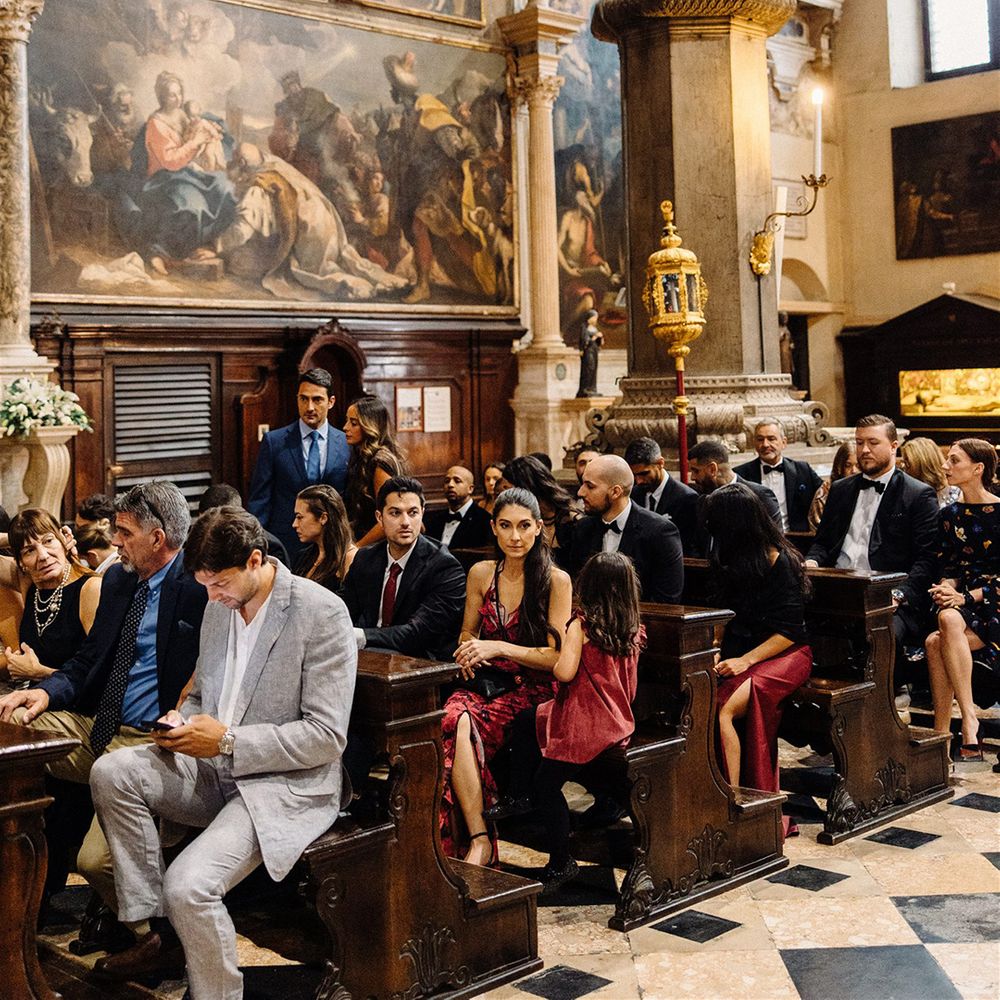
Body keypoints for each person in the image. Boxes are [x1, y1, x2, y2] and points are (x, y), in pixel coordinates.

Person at [88, 506, 356, 997]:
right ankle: (160, 931)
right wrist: (180, 720)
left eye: (220, 584)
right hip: (212, 767)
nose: (212, 597)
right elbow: (201, 694)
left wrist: (228, 741)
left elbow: (325, 737)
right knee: (111, 771)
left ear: (256, 559)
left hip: (281, 784)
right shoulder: (219, 605)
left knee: (189, 885)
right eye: (205, 585)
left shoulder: (321, 612)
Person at [0, 483, 207, 957]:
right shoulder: (118, 581)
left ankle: (163, 937)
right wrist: (41, 693)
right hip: (100, 727)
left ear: (157, 538)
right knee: (11, 729)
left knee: (94, 862)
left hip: (154, 742)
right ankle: (22, 901)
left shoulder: (196, 586)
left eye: (124, 532)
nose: (114, 541)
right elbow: (88, 661)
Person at [487, 551, 645, 890]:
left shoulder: (582, 626)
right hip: (617, 720)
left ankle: (561, 861)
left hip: (583, 724)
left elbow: (563, 670)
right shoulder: (632, 629)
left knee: (546, 785)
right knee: (529, 718)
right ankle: (517, 794)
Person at [443, 488, 572, 866]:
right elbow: (467, 632)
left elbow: (556, 658)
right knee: (451, 720)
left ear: (538, 529)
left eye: (523, 526)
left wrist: (497, 647)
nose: (515, 537)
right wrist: (468, 651)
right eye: (505, 526)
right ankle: (480, 837)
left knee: (459, 725)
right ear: (494, 529)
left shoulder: (555, 579)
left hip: (534, 689)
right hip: (486, 682)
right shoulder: (482, 573)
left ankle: (480, 841)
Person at [703, 483, 813, 838]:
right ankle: (719, 796)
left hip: (787, 654)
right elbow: (727, 615)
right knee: (703, 704)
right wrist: (718, 647)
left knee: (723, 710)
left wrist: (745, 661)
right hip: (744, 652)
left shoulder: (781, 560)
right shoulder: (730, 557)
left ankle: (735, 803)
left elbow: (790, 630)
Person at [806, 415, 938, 648]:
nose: (864, 450)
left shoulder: (918, 495)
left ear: (894, 446)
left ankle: (884, 686)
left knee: (877, 639)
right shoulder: (840, 489)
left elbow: (925, 560)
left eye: (873, 442)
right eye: (859, 443)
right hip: (838, 589)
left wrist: (898, 595)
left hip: (887, 594)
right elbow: (823, 543)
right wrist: (812, 562)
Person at [925, 439, 1000, 760]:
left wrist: (963, 597)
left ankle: (948, 732)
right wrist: (945, 588)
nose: (945, 467)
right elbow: (951, 568)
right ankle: (956, 728)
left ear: (978, 468)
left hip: (993, 602)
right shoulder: (949, 516)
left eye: (954, 461)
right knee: (944, 621)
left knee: (935, 641)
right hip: (963, 604)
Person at [341, 476, 465, 661]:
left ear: (422, 513)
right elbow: (343, 610)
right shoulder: (365, 558)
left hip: (422, 662)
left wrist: (359, 636)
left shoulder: (445, 567)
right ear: (379, 517)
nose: (405, 522)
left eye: (413, 512)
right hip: (368, 656)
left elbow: (417, 634)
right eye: (395, 513)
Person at [247, 368, 350, 562]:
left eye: (317, 399)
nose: (309, 407)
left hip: (332, 546)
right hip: (285, 545)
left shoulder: (346, 443)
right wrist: (258, 545)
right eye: (303, 399)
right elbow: (259, 501)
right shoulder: (274, 442)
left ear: (331, 402)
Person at [0, 509, 101, 681]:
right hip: (38, 698)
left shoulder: (90, 588)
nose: (43, 556)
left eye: (48, 541)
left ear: (63, 541)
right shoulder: (29, 580)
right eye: (29, 550)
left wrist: (40, 673)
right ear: (21, 563)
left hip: (77, 704)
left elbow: (101, 673)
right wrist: (17, 537)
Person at [573, 455, 684, 603]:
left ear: (615, 492)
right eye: (582, 484)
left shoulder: (659, 532)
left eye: (590, 486)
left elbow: (667, 599)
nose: (580, 492)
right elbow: (576, 585)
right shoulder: (583, 528)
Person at [733, 419, 823, 532]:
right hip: (757, 543)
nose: (765, 444)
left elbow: (826, 496)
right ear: (754, 443)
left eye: (771, 439)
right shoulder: (741, 475)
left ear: (784, 442)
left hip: (797, 541)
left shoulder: (803, 470)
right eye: (760, 439)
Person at [343, 394, 408, 547]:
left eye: (353, 423)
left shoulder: (380, 462)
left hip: (379, 547)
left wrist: (357, 548)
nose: (345, 427)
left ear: (370, 426)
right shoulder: (360, 457)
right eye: (347, 421)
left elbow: (391, 518)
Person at [501, 455, 581, 569]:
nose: (506, 496)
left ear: (526, 486)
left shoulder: (571, 519)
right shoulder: (515, 520)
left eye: (508, 489)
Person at [624, 436, 700, 556]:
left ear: (660, 463)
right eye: (635, 475)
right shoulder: (633, 494)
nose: (639, 481)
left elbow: (688, 546)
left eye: (644, 473)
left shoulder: (686, 499)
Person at [688, 439, 782, 527]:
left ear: (713, 469)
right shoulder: (699, 499)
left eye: (696, 471)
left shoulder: (760, 496)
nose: (692, 477)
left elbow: (775, 542)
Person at [199, 483, 289, 568]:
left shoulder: (270, 546)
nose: (209, 531)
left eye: (216, 526)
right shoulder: (200, 544)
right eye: (204, 524)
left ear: (237, 517)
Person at [292, 485, 357, 595]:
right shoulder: (303, 556)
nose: (294, 524)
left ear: (323, 518)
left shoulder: (351, 559)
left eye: (300, 517)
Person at [425, 465, 494, 550]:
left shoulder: (484, 520)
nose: (450, 485)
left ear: (470, 489)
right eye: (447, 481)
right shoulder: (434, 520)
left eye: (457, 481)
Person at [808, 441, 858, 532]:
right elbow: (817, 531)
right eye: (848, 465)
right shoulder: (825, 493)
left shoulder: (870, 488)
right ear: (840, 467)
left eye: (858, 465)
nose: (854, 470)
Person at [901, 436, 961, 507]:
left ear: (923, 465)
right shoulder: (903, 492)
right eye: (903, 461)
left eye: (907, 462)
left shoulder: (957, 495)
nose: (902, 466)